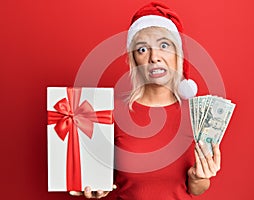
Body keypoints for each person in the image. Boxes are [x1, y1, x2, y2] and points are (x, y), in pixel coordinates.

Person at [71, 2, 221, 199]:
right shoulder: (111, 111)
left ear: (178, 55)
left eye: (164, 45)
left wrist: (197, 178)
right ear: (134, 61)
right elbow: (104, 178)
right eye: (142, 49)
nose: (154, 57)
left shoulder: (197, 116)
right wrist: (97, 186)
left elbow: (197, 189)